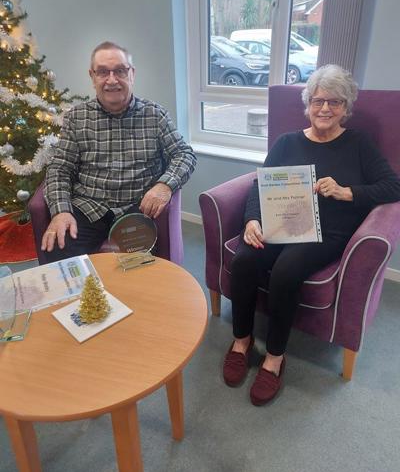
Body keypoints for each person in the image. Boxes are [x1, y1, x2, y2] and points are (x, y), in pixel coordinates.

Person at [223, 64, 400, 406]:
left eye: (334, 102)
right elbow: (260, 186)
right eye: (318, 101)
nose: (324, 109)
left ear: (346, 108)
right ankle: (241, 341)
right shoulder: (286, 142)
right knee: (245, 260)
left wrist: (347, 192)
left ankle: (274, 358)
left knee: (288, 269)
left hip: (327, 232)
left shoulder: (358, 144)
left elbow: (394, 185)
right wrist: (251, 220)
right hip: (280, 222)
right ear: (307, 104)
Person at [41, 41, 196, 261]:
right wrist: (61, 210)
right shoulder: (76, 118)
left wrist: (164, 185)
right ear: (92, 76)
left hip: (136, 209)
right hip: (88, 206)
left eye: (120, 71)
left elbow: (184, 154)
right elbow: (60, 168)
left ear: (132, 74)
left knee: (136, 271)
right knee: (59, 254)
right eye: (103, 72)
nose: (112, 80)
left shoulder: (155, 115)